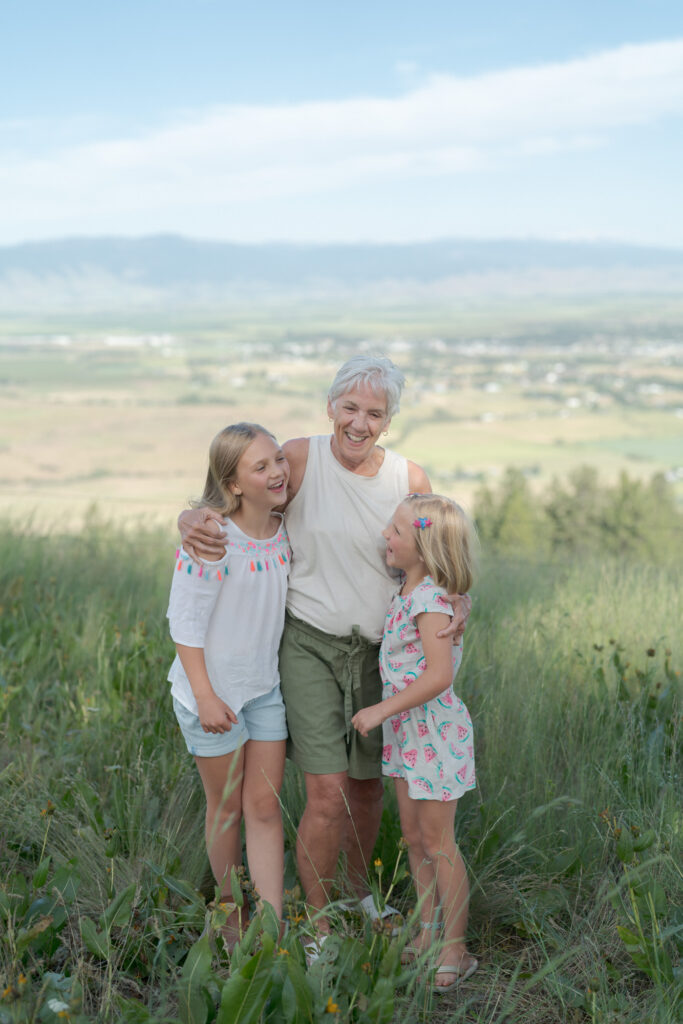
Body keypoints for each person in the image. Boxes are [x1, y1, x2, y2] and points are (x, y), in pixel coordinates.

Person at [179, 357, 469, 952]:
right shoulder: (299, 458)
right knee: (326, 789)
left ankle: (358, 896)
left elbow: (439, 554)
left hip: (383, 656)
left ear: (389, 422)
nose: (359, 423)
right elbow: (243, 508)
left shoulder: (410, 479)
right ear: (331, 408)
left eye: (375, 413)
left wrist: (462, 598)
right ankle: (317, 922)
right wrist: (189, 516)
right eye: (350, 407)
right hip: (307, 643)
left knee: (366, 787)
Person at [167, 422, 291, 943]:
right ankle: (230, 915)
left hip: (263, 688)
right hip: (210, 692)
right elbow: (184, 624)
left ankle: (272, 923)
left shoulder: (285, 526)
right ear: (234, 484)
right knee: (226, 809)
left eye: (279, 459)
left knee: (264, 808)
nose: (278, 472)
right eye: (260, 467)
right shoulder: (213, 538)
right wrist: (205, 697)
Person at [351, 493, 478, 991]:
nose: (387, 535)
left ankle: (456, 947)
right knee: (413, 838)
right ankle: (426, 933)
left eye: (397, 531)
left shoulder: (429, 601)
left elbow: (439, 675)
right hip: (409, 737)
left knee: (438, 842)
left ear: (422, 548)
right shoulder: (409, 592)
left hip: (434, 733)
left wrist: (381, 709)